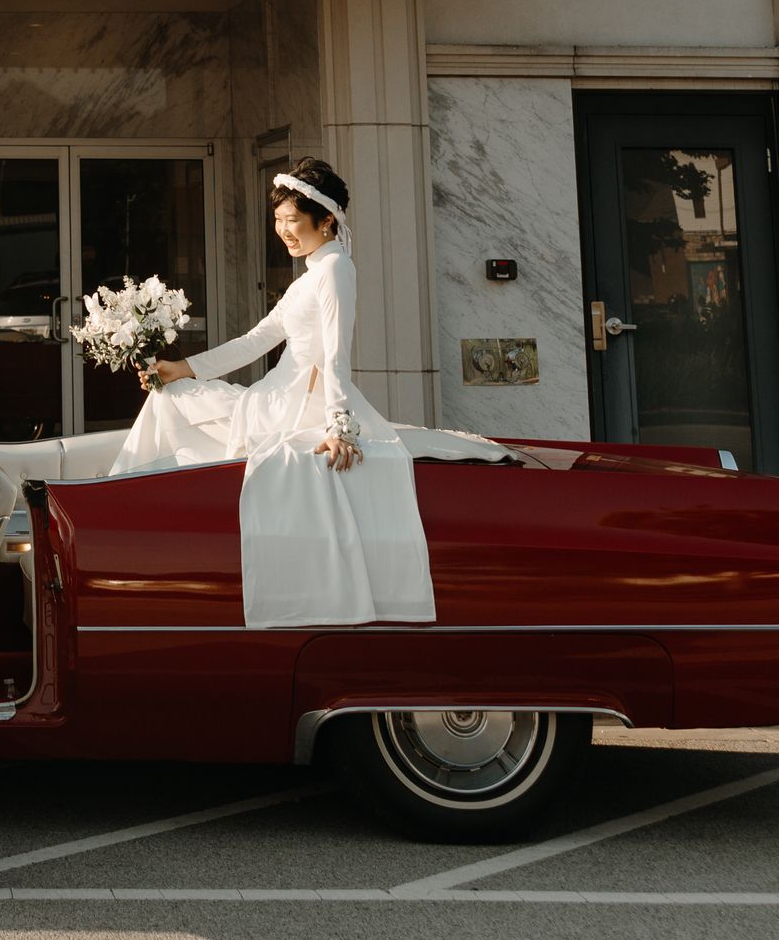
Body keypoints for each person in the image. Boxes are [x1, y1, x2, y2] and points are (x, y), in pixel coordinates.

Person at [110, 158, 500, 628]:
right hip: (273, 396)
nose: (283, 231)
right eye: (277, 221)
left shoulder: (335, 270)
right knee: (169, 396)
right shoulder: (313, 273)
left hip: (296, 407)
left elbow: (335, 355)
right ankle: (125, 515)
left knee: (170, 407)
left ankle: (120, 521)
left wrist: (339, 426)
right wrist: (182, 368)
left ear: (327, 220)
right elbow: (257, 339)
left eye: (292, 220)